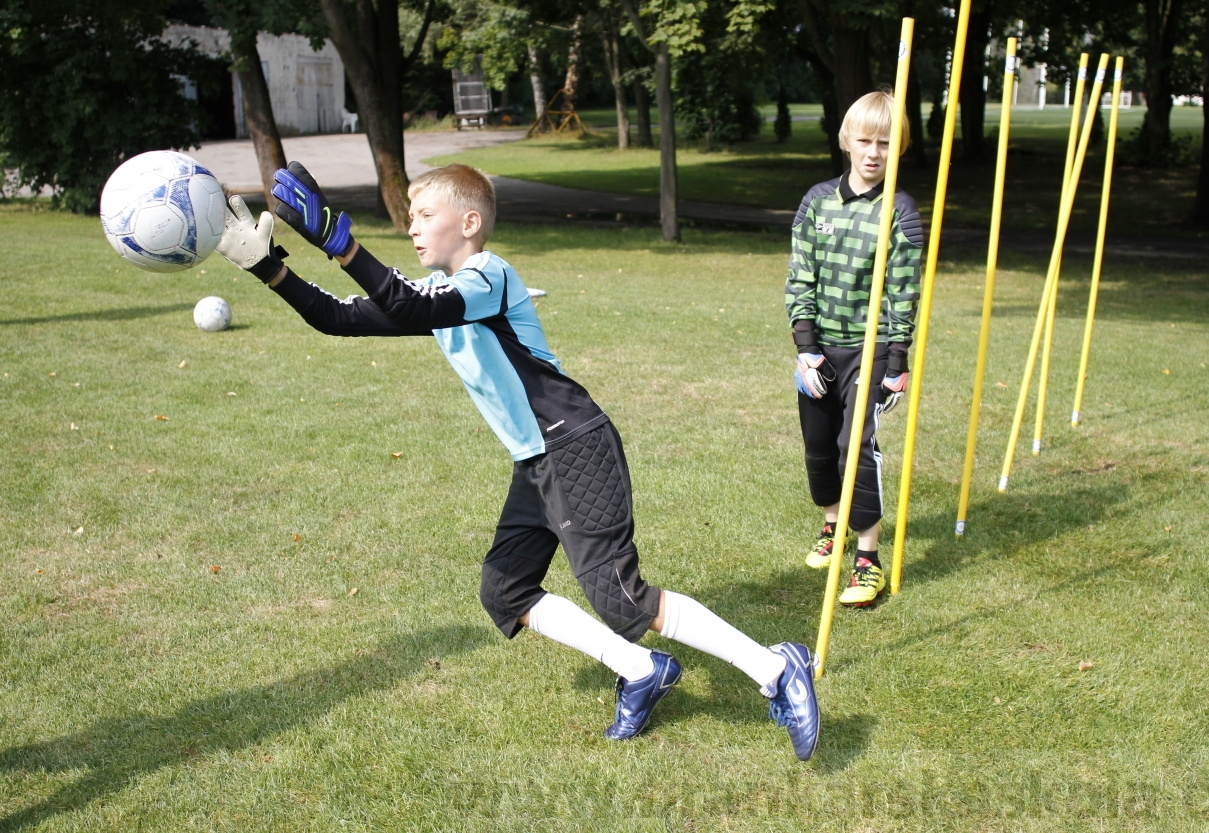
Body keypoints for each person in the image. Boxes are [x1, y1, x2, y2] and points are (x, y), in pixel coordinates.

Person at [213, 162, 821, 760]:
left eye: (426, 215)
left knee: (622, 599)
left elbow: (412, 307)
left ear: (470, 221)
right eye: (411, 218)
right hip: (537, 460)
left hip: (574, 445)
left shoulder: (489, 277)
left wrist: (339, 241)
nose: (414, 228)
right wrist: (271, 269)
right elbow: (338, 319)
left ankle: (775, 669)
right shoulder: (436, 294)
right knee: (505, 591)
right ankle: (642, 671)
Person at [785, 91, 924, 607]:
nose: (873, 152)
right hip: (820, 349)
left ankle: (868, 560)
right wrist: (805, 347)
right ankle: (833, 527)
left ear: (899, 148)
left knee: (854, 447)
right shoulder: (817, 201)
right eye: (864, 140)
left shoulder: (900, 213)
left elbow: (903, 293)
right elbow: (800, 277)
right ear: (846, 141)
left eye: (885, 143)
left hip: (872, 350)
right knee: (820, 446)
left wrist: (897, 362)